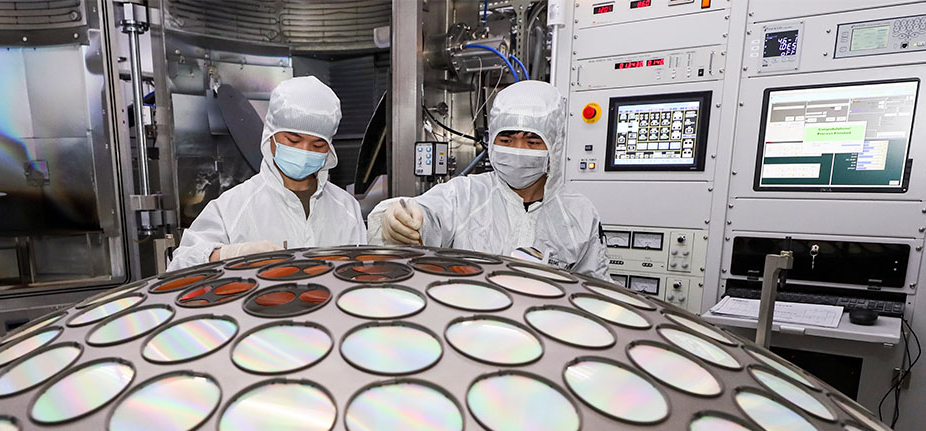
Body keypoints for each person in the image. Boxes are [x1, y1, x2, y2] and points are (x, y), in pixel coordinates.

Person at [368, 81, 609, 279]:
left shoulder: (578, 213)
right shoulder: (465, 195)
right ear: (491, 140)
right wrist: (397, 218)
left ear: (554, 146)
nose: (518, 149)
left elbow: (596, 288)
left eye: (532, 141)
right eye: (506, 139)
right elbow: (428, 214)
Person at [168, 76, 365, 269]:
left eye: (318, 144)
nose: (305, 151)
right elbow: (179, 266)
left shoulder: (346, 208)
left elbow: (364, 272)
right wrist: (229, 254)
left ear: (329, 148)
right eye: (293, 141)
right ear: (271, 134)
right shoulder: (234, 207)